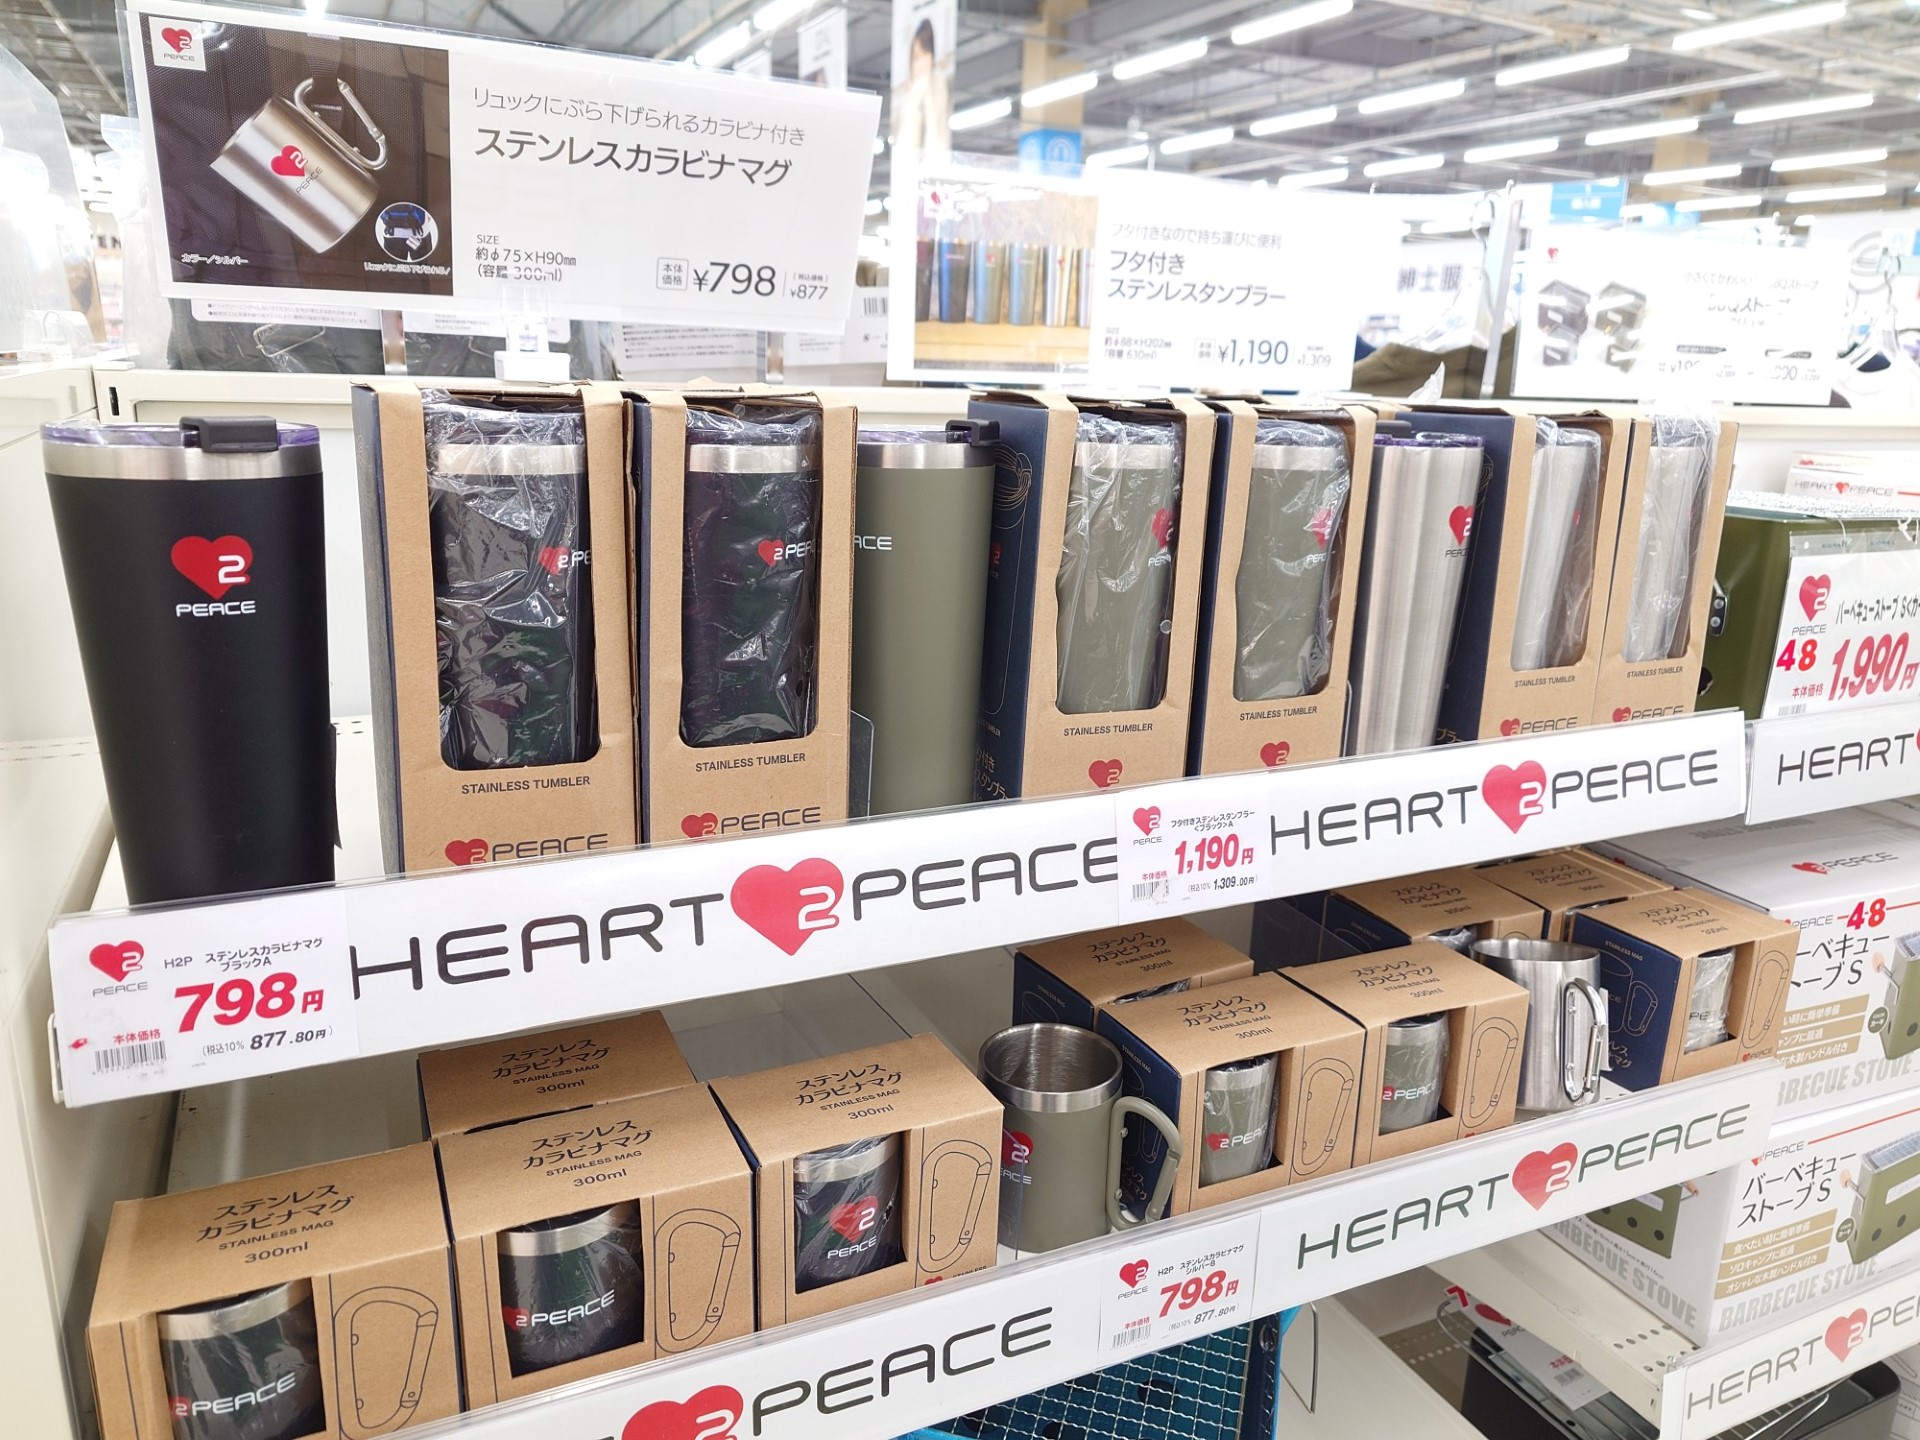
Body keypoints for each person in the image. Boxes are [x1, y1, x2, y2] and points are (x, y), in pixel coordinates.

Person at [892, 16, 950, 163]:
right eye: (916, 58)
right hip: (909, 165)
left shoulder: (937, 85)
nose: (920, 64)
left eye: (925, 55)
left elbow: (937, 132)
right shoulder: (908, 95)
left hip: (931, 164)